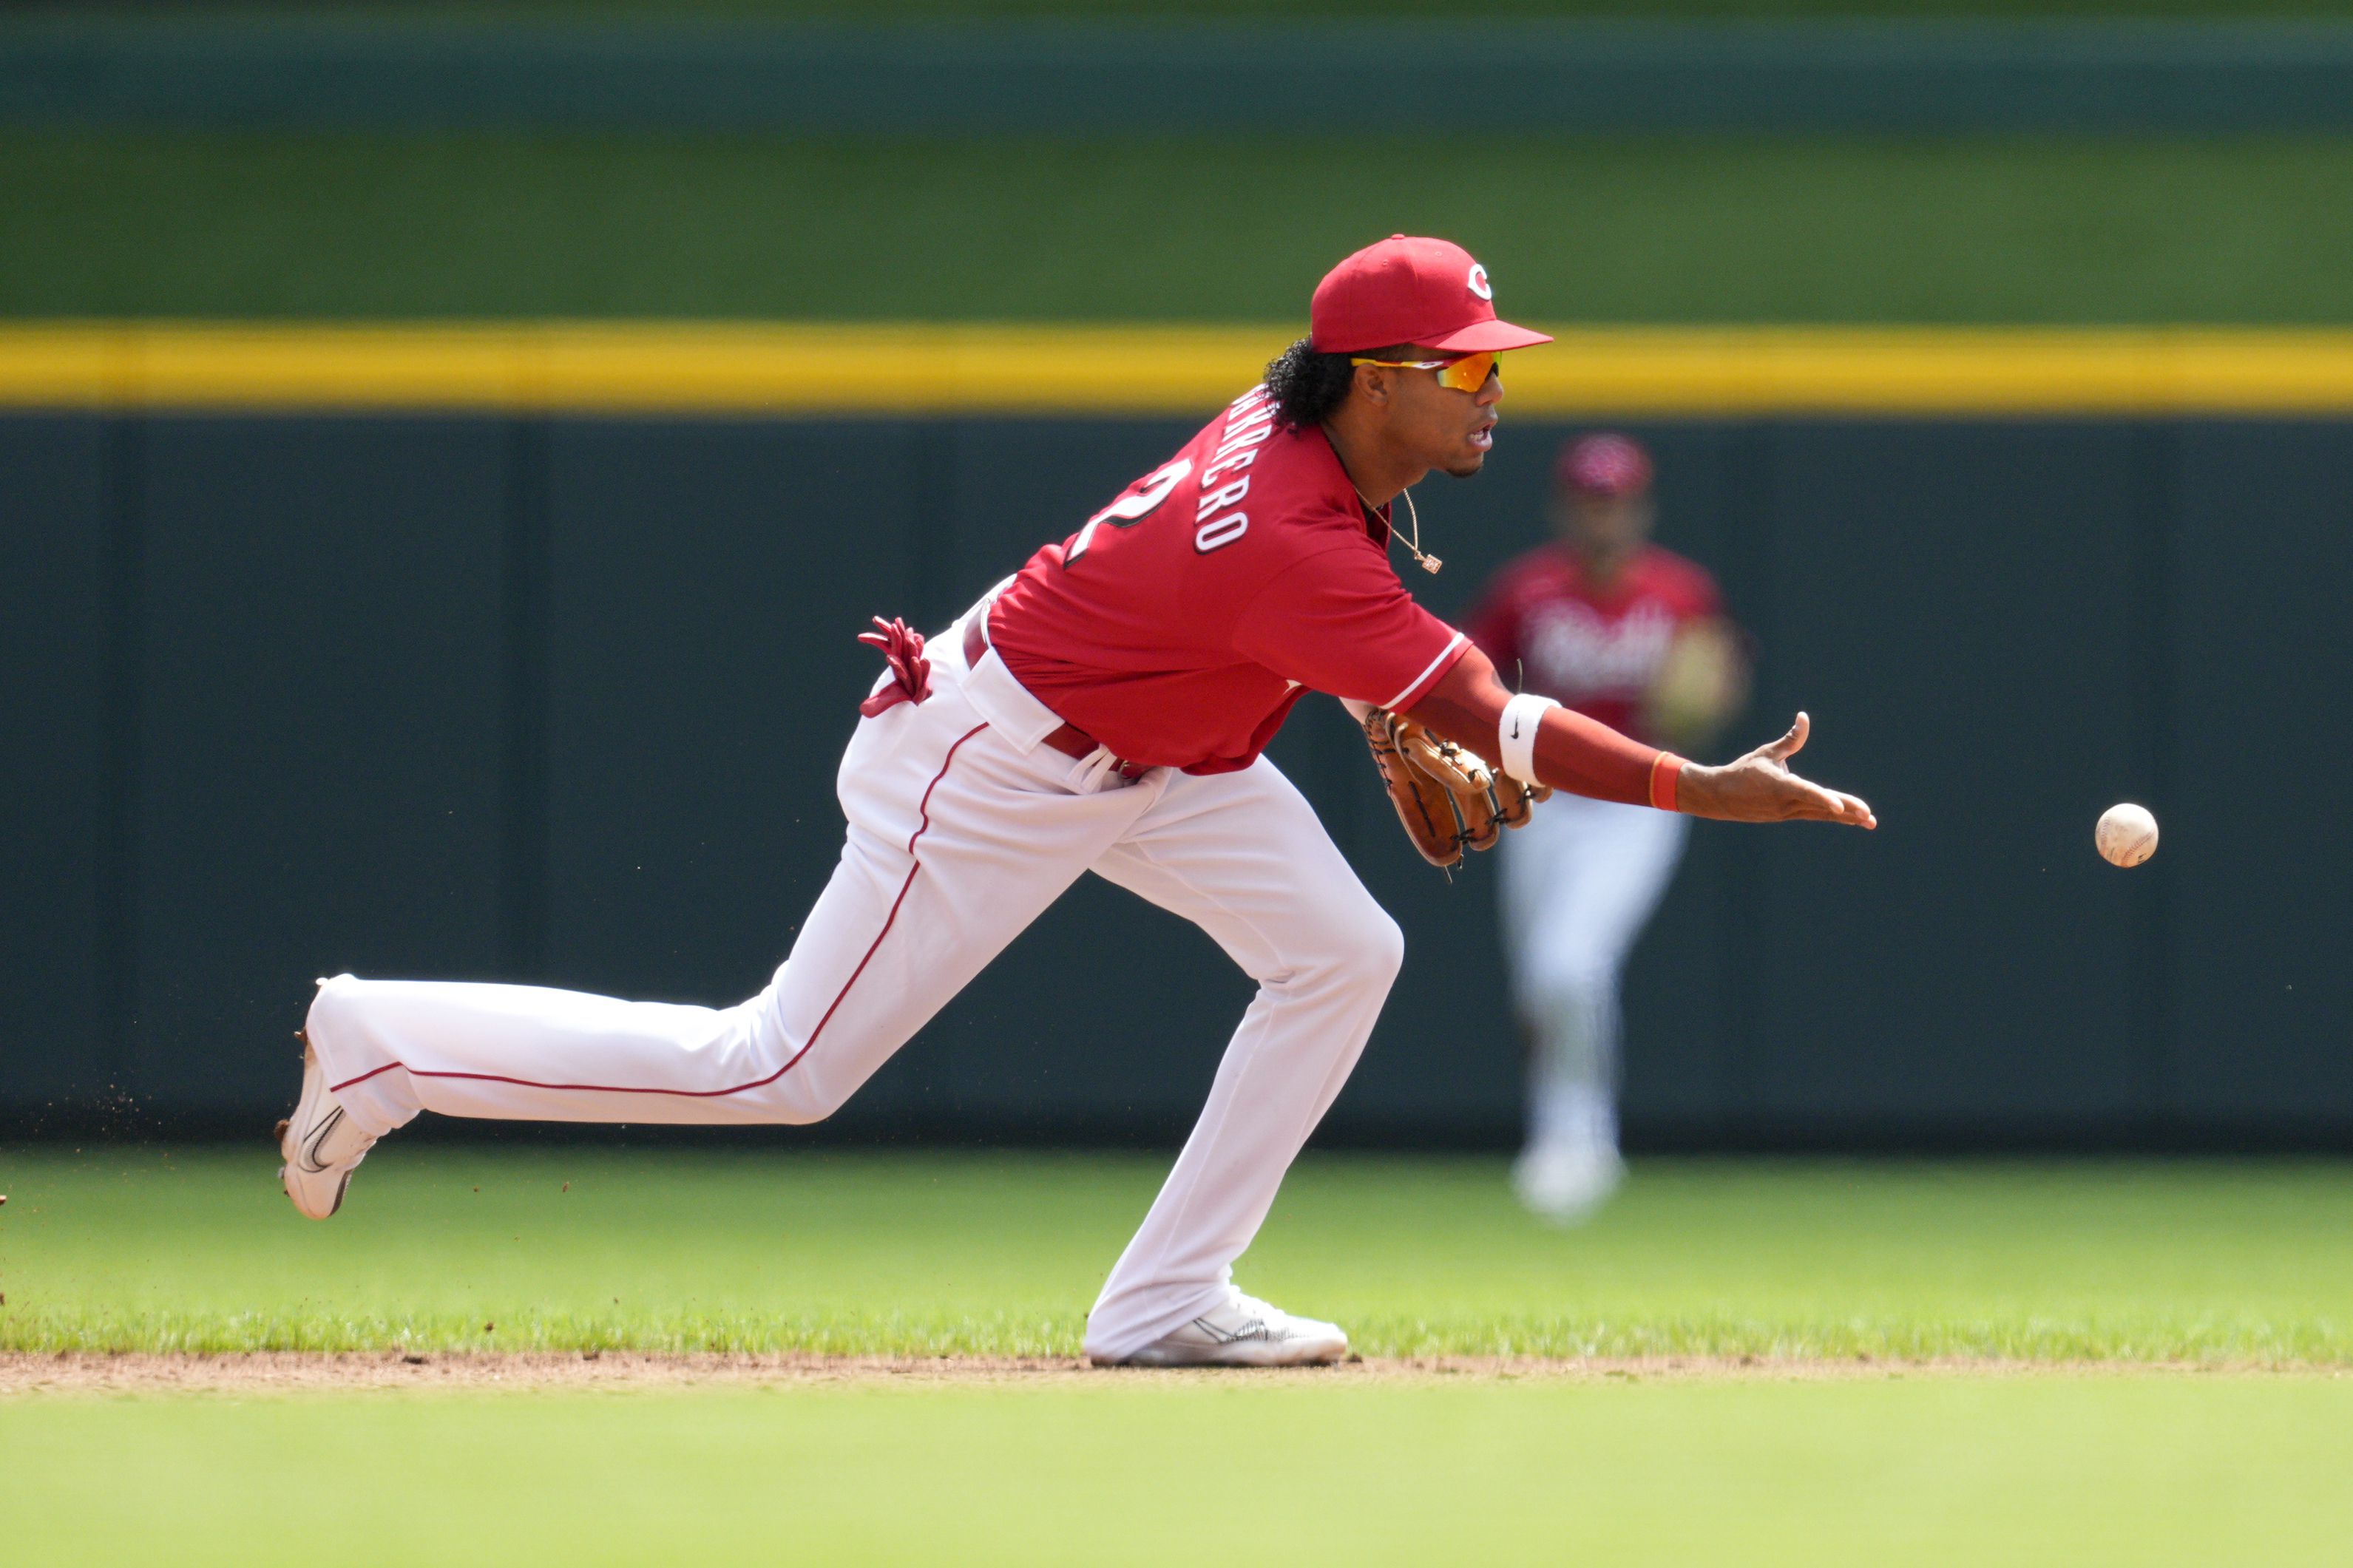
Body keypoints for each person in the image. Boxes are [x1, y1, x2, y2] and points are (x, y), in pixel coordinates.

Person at [275, 237, 1872, 1368]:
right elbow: (1490, 710)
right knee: (777, 1067)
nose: (1490, 391)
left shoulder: (1315, 442)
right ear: (1372, 381)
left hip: (1162, 760)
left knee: (1341, 949)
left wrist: (1345, 694)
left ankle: (1168, 1295)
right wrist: (1696, 789)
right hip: (994, 764)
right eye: (1461, 366)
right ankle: (384, 1042)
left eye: (1492, 360)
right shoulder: (1292, 535)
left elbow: (1278, 633)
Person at [1467, 433, 1750, 1221]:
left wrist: (1704, 696)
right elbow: (1470, 684)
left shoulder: (1678, 593)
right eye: (1591, 499)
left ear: (1640, 505)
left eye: (1616, 499)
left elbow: (1712, 685)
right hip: (1541, 802)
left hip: (1635, 803)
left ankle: (1579, 1144)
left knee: (1570, 965)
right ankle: (1553, 1133)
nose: (1604, 514)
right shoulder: (1525, 592)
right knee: (1538, 983)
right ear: (1567, 506)